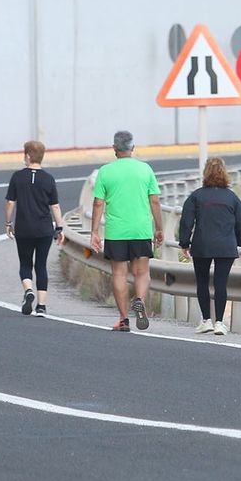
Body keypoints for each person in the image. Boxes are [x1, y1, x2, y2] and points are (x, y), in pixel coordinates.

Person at [90, 130, 162, 332]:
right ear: (133, 147)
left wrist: (94, 232)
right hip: (141, 230)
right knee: (142, 272)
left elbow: (98, 203)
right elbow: (155, 200)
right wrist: (159, 228)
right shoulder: (145, 169)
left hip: (116, 232)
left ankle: (123, 319)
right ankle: (139, 300)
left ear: (114, 148)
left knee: (119, 274)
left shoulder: (105, 171)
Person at [177, 157, 241, 337]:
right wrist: (238, 241)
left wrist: (185, 243)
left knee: (202, 282)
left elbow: (186, 221)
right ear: (224, 173)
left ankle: (206, 320)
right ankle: (219, 323)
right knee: (221, 283)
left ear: (205, 173)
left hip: (202, 245)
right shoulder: (232, 197)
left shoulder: (196, 196)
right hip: (226, 246)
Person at [5, 139, 63, 317]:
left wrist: (8, 223)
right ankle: (42, 306)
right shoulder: (48, 179)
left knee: (25, 263)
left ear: (28, 156)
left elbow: (10, 203)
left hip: (24, 228)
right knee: (41, 265)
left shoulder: (17, 177)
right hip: (44, 229)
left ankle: (28, 289)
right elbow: (55, 206)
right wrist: (59, 227)